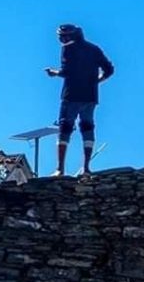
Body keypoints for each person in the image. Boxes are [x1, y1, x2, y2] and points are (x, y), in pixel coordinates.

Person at [46, 24, 114, 177]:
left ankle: (60, 169)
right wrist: (97, 81)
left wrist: (54, 73)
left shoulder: (68, 49)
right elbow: (109, 69)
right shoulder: (94, 49)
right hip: (90, 95)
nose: (61, 40)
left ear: (69, 36)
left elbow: (67, 71)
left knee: (65, 129)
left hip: (71, 94)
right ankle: (86, 168)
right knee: (87, 128)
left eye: (62, 37)